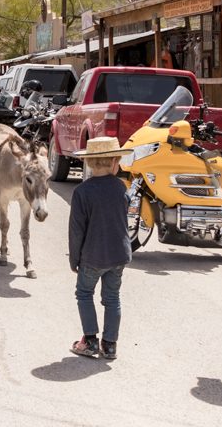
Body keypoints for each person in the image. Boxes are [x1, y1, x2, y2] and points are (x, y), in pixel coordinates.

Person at [67, 137, 133, 361]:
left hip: (92, 256)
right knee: (112, 298)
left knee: (84, 294)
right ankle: (110, 345)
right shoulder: (121, 187)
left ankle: (90, 341)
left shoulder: (82, 192)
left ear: (88, 163)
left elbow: (77, 231)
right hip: (118, 255)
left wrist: (74, 259)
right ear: (115, 161)